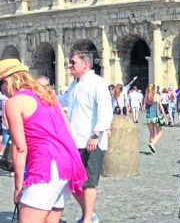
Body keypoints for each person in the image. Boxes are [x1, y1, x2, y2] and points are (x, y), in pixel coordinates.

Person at [2, 58, 87, 222]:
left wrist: (19, 186)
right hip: (69, 163)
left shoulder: (14, 103)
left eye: (0, 86)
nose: (2, 92)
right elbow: (68, 129)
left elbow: (19, 149)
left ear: (8, 81)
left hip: (47, 166)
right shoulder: (47, 94)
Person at [61, 51, 113, 223]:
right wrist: (40, 94)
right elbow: (62, 100)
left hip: (92, 141)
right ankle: (89, 213)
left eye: (73, 63)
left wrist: (96, 134)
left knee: (89, 182)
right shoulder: (75, 85)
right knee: (73, 182)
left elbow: (105, 111)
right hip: (75, 141)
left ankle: (88, 219)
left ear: (85, 64)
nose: (70, 66)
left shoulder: (98, 83)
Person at [144, 83, 167, 154]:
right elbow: (160, 106)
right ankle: (152, 144)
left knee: (151, 133)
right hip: (157, 116)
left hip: (149, 116)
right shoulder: (157, 96)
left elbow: (145, 107)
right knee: (160, 132)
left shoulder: (146, 97)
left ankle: (152, 147)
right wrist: (164, 115)